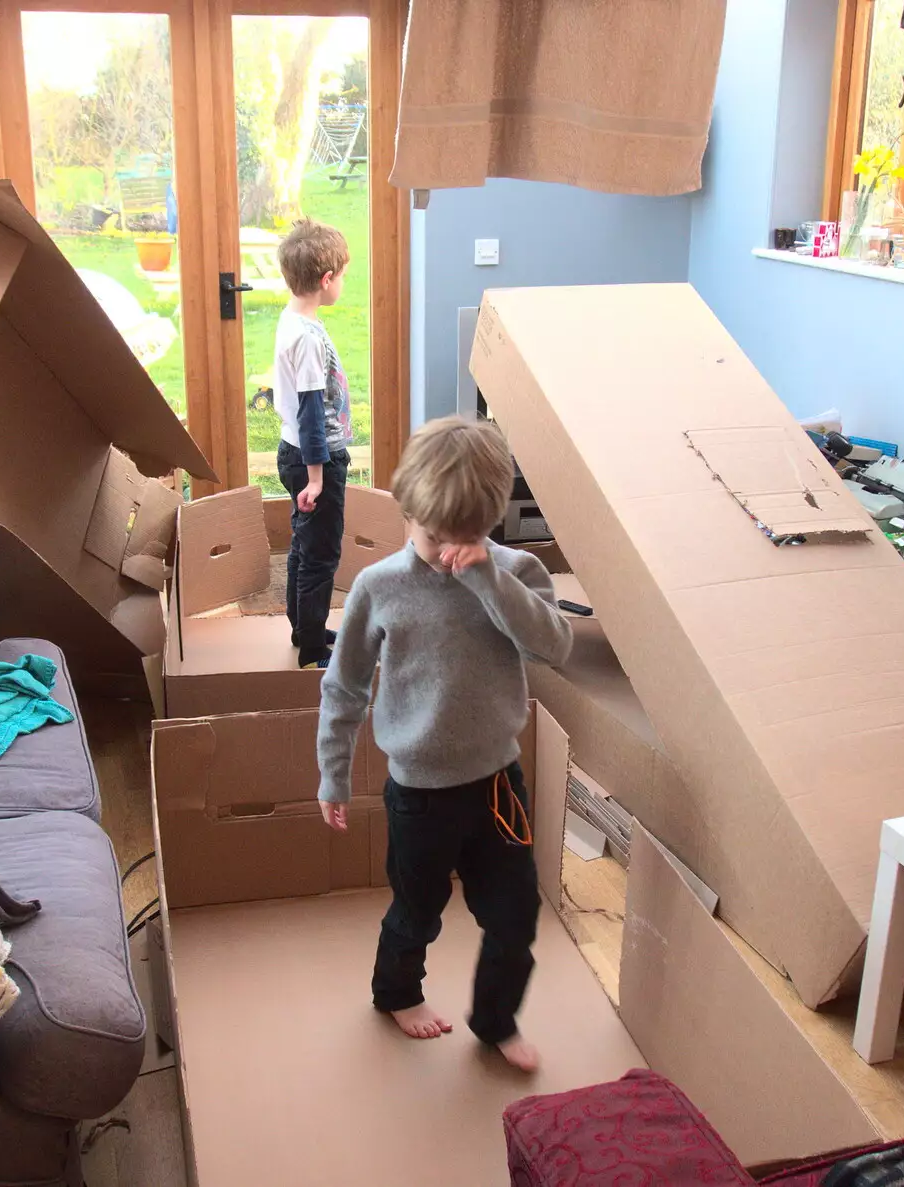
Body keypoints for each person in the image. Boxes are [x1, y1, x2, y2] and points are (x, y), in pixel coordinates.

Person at [315, 417, 573, 1073]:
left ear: (491, 522)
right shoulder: (379, 586)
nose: (447, 552)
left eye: (467, 538)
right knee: (416, 911)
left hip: (496, 786)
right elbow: (343, 688)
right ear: (407, 511)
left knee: (516, 914)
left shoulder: (516, 570)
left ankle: (496, 1020)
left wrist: (489, 579)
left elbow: (554, 645)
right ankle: (397, 992)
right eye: (433, 536)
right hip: (419, 794)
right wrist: (332, 775)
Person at [273, 219, 354, 671]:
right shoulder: (305, 339)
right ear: (326, 281)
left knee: (304, 547)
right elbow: (309, 412)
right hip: (314, 462)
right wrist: (319, 478)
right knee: (321, 555)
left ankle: (304, 627)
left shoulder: (294, 320)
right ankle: (312, 652)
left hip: (299, 456)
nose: (342, 283)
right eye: (341, 275)